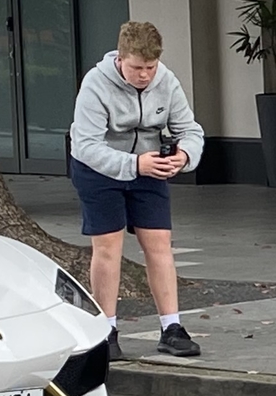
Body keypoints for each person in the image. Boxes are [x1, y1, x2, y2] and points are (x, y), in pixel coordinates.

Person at [69, 19, 206, 356]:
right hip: (99, 171)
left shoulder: (166, 81)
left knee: (159, 244)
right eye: (137, 67)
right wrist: (133, 164)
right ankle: (106, 331)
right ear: (121, 59)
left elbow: (191, 129)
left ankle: (171, 327)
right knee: (107, 247)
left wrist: (184, 156)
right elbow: (85, 145)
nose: (145, 75)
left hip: (150, 169)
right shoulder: (95, 84)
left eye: (150, 67)